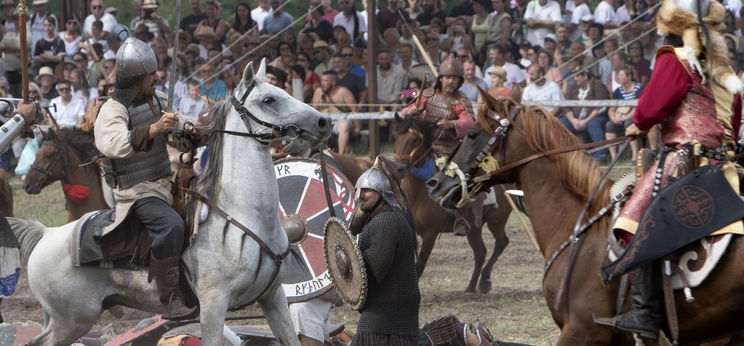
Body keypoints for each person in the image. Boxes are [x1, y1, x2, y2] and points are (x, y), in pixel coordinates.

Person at [594, 30, 744, 340]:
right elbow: (735, 121)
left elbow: (652, 106)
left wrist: (640, 123)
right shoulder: (726, 73)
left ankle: (644, 311)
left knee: (639, 218)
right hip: (728, 168)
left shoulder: (675, 58)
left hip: (687, 161)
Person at [94, 37, 201, 321]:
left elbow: (178, 129)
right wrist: (154, 129)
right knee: (171, 227)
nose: (157, 76)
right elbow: (113, 144)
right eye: (151, 74)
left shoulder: (157, 100)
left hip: (165, 182)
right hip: (136, 191)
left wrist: (189, 132)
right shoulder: (113, 109)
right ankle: (170, 299)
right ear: (136, 78)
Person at [400, 58, 483, 236]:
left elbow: (469, 121)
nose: (451, 81)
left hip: (449, 149)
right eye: (447, 77)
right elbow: (404, 111)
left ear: (460, 81)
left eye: (455, 78)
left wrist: (453, 124)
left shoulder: (460, 100)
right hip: (423, 146)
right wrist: (411, 112)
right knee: (399, 165)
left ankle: (460, 217)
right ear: (441, 78)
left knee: (455, 177)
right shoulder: (427, 94)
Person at [351, 161, 419, 345]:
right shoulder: (381, 218)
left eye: (366, 190)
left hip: (388, 313)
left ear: (382, 193)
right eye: (358, 190)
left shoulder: (387, 221)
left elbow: (375, 269)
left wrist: (348, 263)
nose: (360, 196)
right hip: (384, 310)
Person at [559, 69, 610, 162]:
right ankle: (565, 154)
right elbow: (566, 106)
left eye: (577, 76)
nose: (574, 79)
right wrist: (573, 120)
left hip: (594, 117)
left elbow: (601, 105)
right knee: (561, 123)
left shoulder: (597, 84)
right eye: (574, 76)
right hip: (576, 120)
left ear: (585, 76)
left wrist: (585, 121)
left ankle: (601, 155)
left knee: (594, 124)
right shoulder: (574, 87)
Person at [311, 70, 357, 154]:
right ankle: (321, 153)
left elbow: (354, 109)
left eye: (325, 81)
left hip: (340, 121)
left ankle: (341, 154)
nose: (322, 83)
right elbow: (314, 110)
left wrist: (357, 126)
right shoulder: (318, 91)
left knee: (344, 125)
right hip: (324, 121)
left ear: (333, 82)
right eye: (322, 80)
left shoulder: (343, 91)